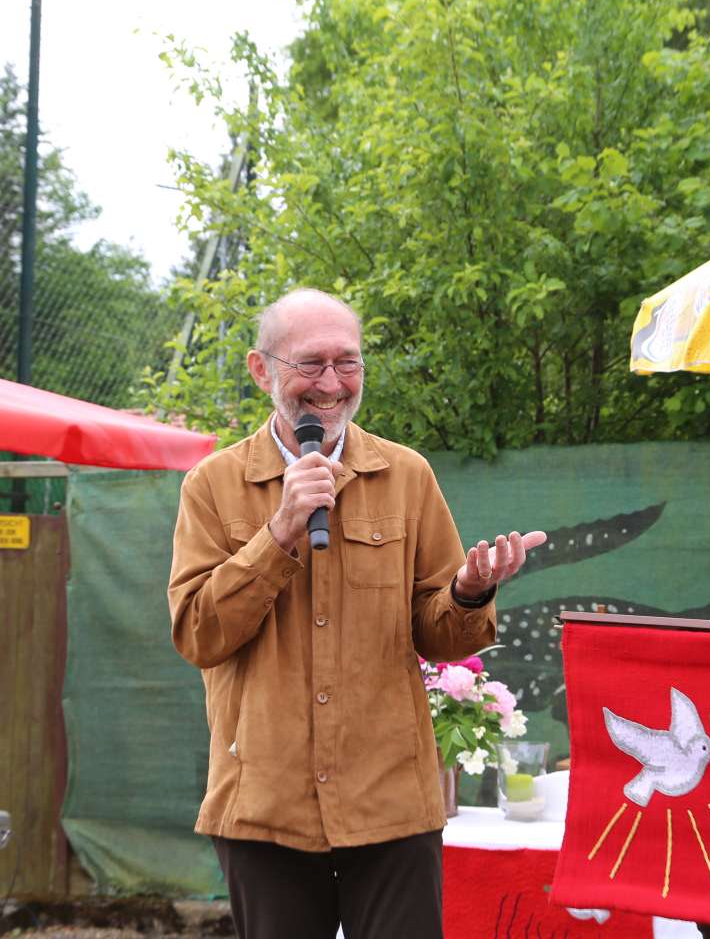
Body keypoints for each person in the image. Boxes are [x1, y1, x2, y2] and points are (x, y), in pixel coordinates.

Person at [168, 288, 544, 939]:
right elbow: (198, 634)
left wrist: (468, 592)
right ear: (263, 370)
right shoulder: (213, 486)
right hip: (266, 806)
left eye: (349, 363)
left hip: (392, 804)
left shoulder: (407, 476)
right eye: (311, 364)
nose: (332, 385)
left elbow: (441, 637)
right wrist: (278, 534)